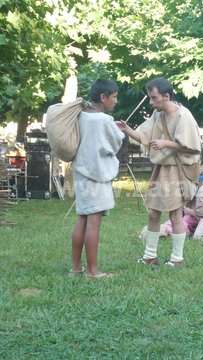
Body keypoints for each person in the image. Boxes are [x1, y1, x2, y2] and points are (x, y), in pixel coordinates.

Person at [117, 77, 201, 267]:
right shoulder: (157, 115)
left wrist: (166, 143)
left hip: (176, 172)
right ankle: (150, 256)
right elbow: (143, 136)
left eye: (154, 98)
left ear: (166, 96)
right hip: (161, 169)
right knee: (153, 214)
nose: (151, 101)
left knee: (174, 215)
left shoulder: (183, 116)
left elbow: (193, 146)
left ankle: (177, 259)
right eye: (150, 97)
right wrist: (127, 130)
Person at [70, 79, 125, 278]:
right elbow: (115, 142)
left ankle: (76, 268)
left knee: (82, 219)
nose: (116, 101)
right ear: (103, 97)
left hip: (81, 173)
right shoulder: (104, 120)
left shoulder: (80, 116)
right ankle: (93, 271)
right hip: (97, 176)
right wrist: (119, 130)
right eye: (114, 96)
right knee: (93, 222)